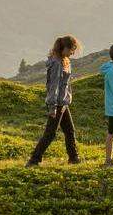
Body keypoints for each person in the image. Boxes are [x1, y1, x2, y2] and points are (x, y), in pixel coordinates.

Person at [27, 35, 82, 166]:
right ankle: (34, 160)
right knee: (50, 133)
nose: (73, 52)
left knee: (69, 131)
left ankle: (74, 158)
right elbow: (54, 85)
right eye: (72, 49)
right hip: (57, 103)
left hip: (63, 103)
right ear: (64, 48)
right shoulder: (57, 63)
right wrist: (52, 107)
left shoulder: (64, 60)